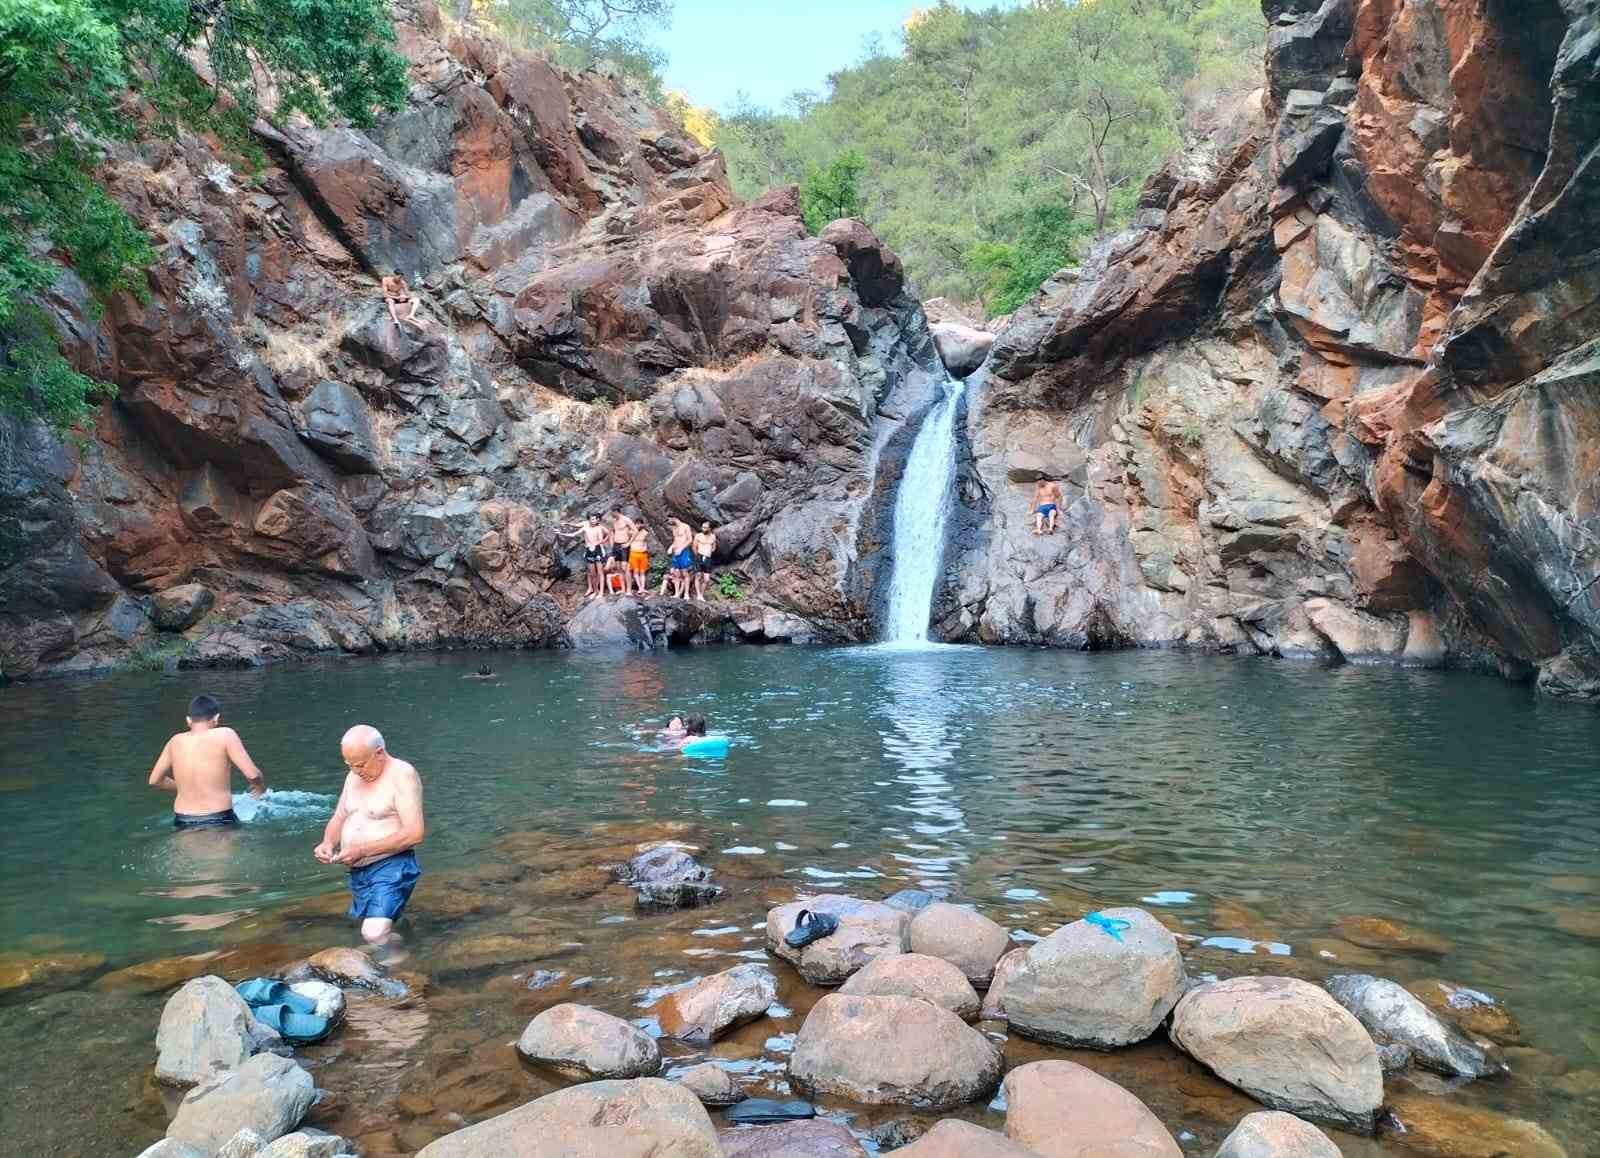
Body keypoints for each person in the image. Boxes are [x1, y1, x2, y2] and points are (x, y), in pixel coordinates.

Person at [314, 725, 425, 945]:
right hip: (359, 871)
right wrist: (327, 843)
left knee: (374, 933)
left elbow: (415, 833)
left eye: (361, 765)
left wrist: (362, 850)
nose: (356, 771)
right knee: (375, 926)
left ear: (380, 753)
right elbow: (339, 817)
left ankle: (398, 964)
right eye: (350, 765)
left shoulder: (402, 774)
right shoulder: (352, 776)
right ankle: (407, 945)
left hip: (392, 865)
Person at [147, 694, 268, 828]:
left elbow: (155, 781)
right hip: (218, 817)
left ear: (188, 720)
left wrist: (184, 788)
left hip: (183, 819)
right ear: (216, 718)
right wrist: (259, 788)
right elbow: (253, 774)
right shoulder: (225, 734)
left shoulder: (174, 741)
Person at [558, 514, 612, 599]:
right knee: (592, 573)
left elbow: (609, 533)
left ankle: (601, 592)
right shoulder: (585, 528)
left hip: (598, 550)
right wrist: (561, 533)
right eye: (591, 519)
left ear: (597, 520)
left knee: (600, 573)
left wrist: (603, 541)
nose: (592, 521)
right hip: (589, 550)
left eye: (594, 519)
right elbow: (573, 534)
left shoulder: (600, 528)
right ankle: (595, 591)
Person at [661, 519, 694, 599]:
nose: (671, 527)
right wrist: (671, 547)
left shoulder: (685, 526)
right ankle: (676, 593)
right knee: (676, 573)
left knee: (684, 572)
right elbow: (675, 540)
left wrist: (681, 548)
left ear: (675, 519)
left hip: (684, 552)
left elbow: (690, 540)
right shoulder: (674, 527)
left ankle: (686, 594)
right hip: (676, 552)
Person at [609, 508, 637, 593]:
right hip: (616, 545)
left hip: (624, 545)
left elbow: (635, 531)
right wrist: (612, 544)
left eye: (612, 512)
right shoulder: (614, 521)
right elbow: (612, 532)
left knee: (625, 567)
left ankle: (629, 590)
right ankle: (623, 589)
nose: (611, 514)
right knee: (618, 568)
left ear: (617, 512)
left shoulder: (626, 519)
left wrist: (629, 543)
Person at [692, 522, 718, 602]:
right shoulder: (698, 535)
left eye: (705, 527)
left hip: (708, 558)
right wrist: (697, 556)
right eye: (702, 527)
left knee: (706, 579)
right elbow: (694, 546)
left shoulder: (713, 537)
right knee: (698, 576)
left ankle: (701, 594)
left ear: (710, 529)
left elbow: (714, 547)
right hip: (699, 556)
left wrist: (709, 551)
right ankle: (698, 595)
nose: (703, 529)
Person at [628, 522, 651, 594]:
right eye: (637, 523)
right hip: (634, 553)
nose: (638, 525)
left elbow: (647, 541)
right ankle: (640, 587)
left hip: (643, 554)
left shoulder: (645, 532)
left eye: (640, 523)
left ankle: (643, 588)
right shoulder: (630, 532)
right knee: (635, 571)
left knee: (642, 572)